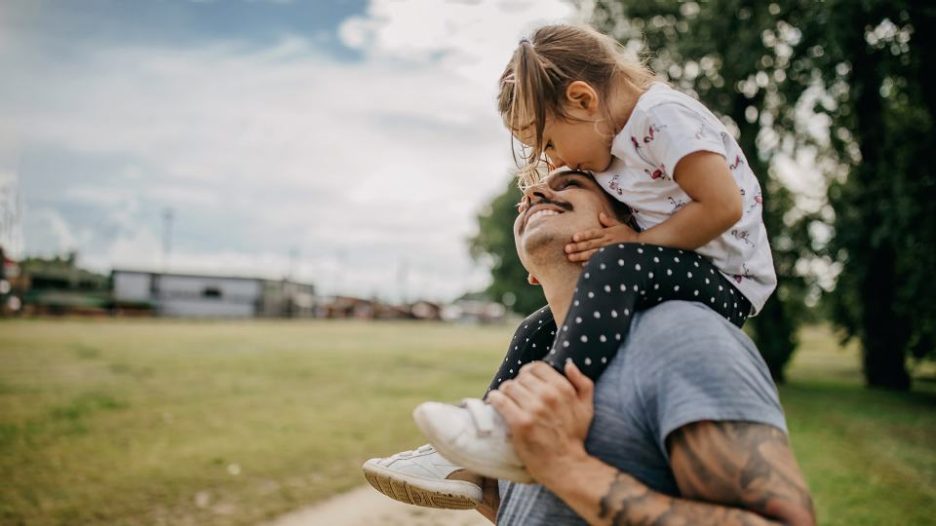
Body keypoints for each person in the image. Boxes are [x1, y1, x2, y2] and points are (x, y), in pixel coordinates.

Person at [414, 23, 778, 482]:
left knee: (615, 261)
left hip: (726, 280)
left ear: (582, 99)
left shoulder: (662, 117)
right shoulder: (609, 143)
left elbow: (723, 206)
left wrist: (637, 244)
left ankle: (546, 410)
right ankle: (484, 438)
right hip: (671, 265)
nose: (555, 161)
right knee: (534, 328)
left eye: (549, 142)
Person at [367, 170, 815, 524]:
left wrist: (565, 466)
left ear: (626, 226)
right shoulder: (538, 357)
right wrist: (495, 494)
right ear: (530, 272)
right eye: (526, 201)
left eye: (571, 184)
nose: (537, 193)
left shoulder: (682, 335)